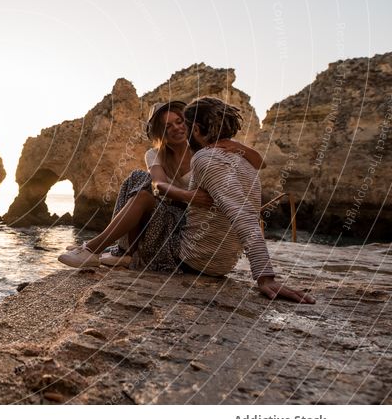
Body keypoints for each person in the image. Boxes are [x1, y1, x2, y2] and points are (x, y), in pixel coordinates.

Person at [58, 97, 315, 304]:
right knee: (140, 180)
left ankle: (97, 250)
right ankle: (124, 251)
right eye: (168, 126)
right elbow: (159, 183)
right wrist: (189, 196)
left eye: (182, 122)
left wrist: (265, 278)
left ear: (195, 127)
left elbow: (246, 212)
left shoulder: (206, 157)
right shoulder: (169, 155)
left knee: (142, 189)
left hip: (186, 249)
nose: (178, 128)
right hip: (189, 232)